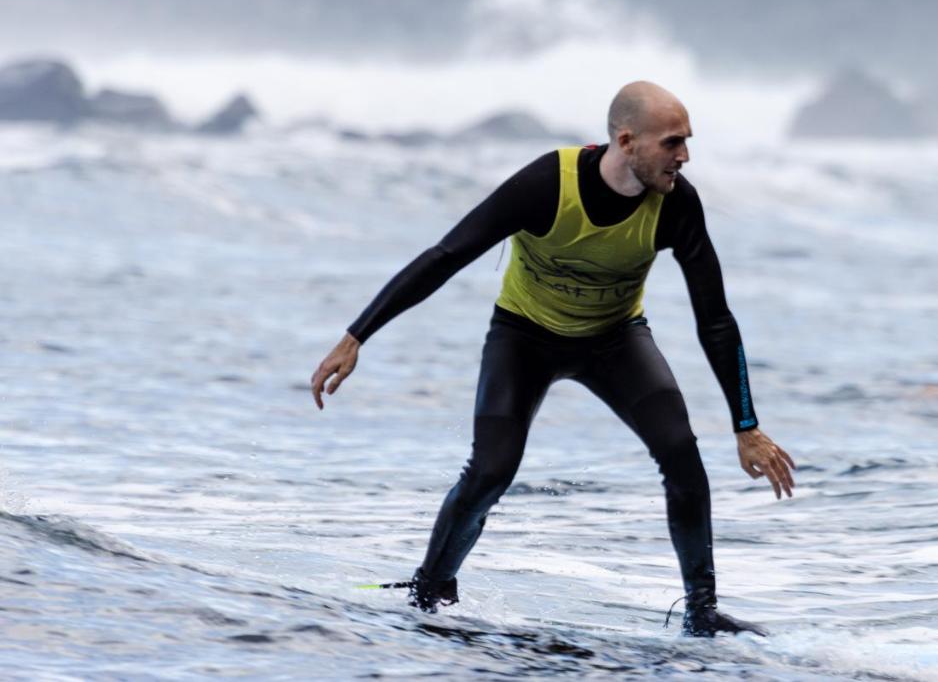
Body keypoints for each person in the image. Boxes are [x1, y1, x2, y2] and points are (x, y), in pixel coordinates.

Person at [311, 81, 795, 638]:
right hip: (524, 338)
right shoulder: (547, 184)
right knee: (491, 470)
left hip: (615, 340)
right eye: (673, 143)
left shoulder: (676, 203)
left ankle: (702, 613)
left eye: (687, 143)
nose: (684, 157)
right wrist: (356, 335)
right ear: (626, 140)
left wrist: (747, 426)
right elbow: (446, 255)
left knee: (682, 455)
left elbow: (715, 317)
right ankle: (432, 587)